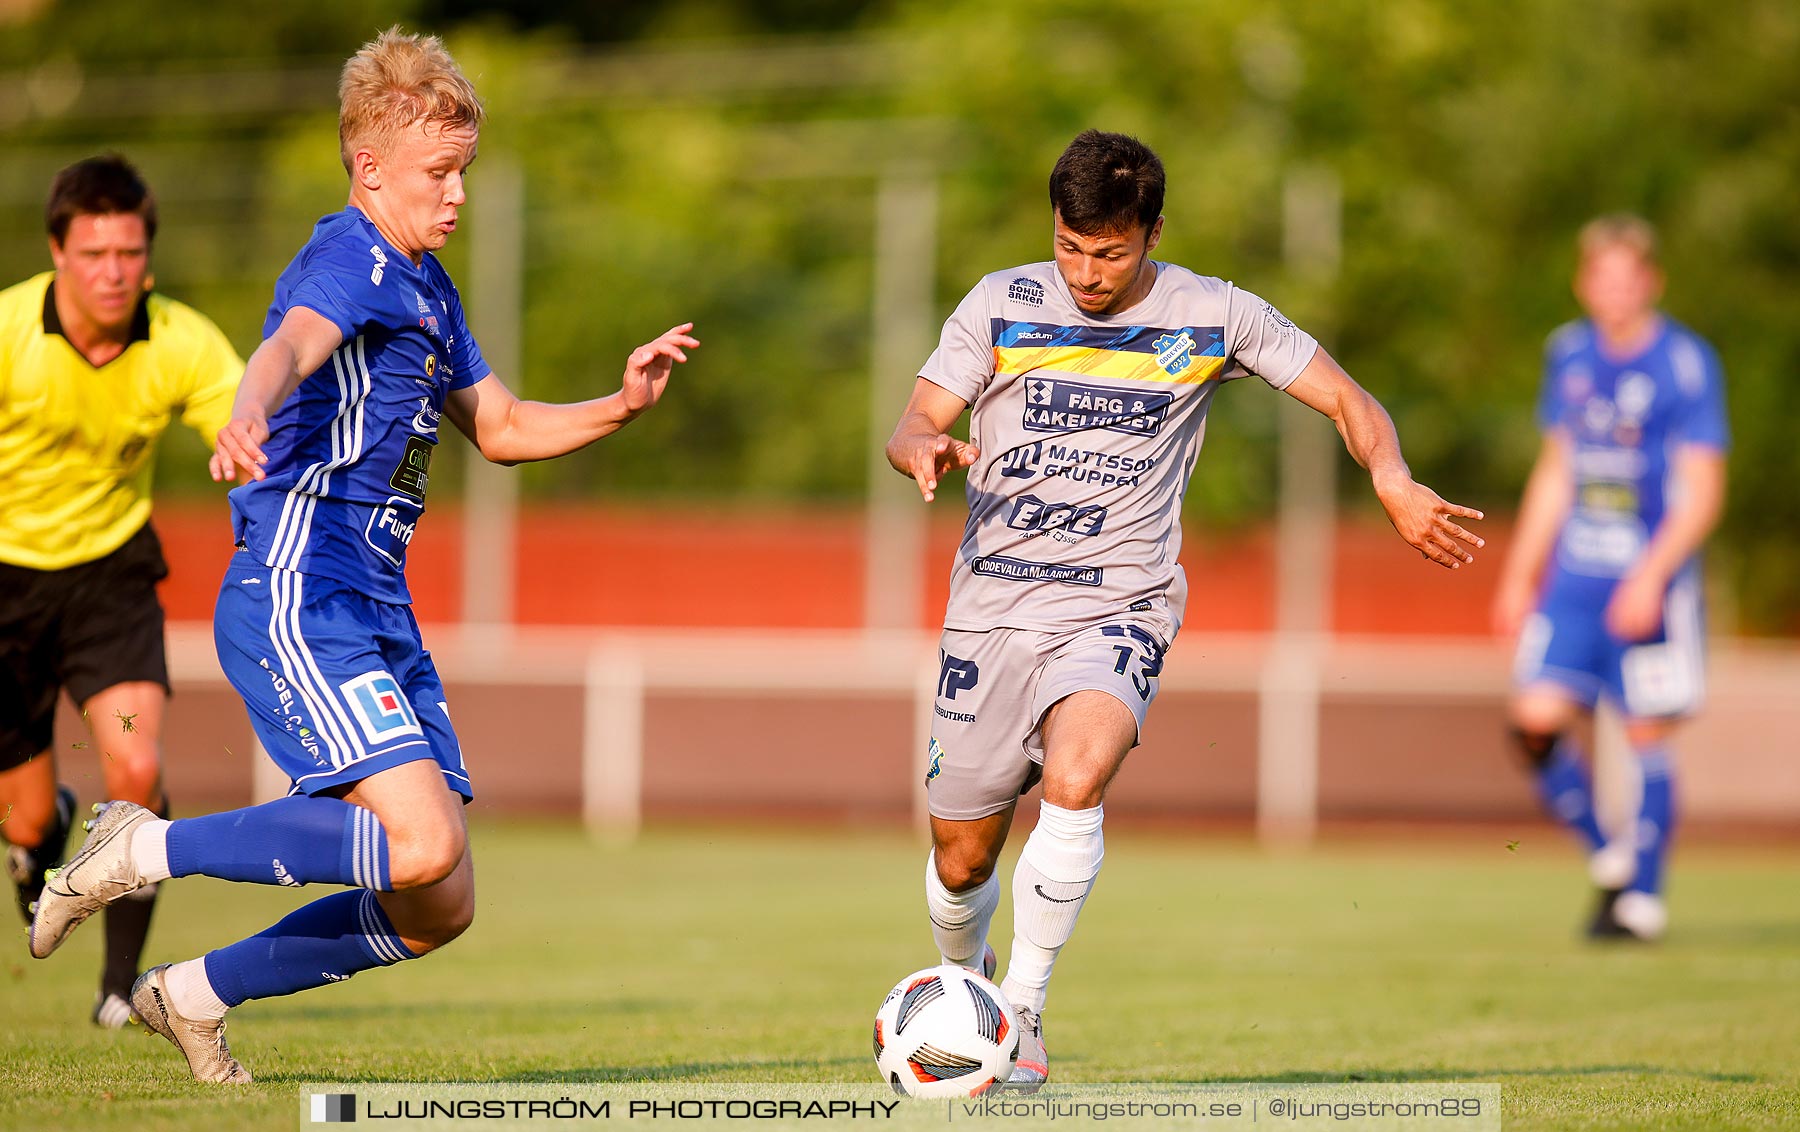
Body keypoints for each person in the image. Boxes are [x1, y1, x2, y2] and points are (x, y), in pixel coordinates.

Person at [30, 27, 697, 1084]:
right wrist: (248, 412)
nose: (459, 195)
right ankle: (139, 846)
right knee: (421, 845)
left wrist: (621, 403)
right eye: (441, 172)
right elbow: (289, 346)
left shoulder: (431, 291)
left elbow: (507, 427)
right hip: (302, 587)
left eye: (465, 171)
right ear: (369, 165)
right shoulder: (351, 254)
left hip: (376, 607)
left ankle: (192, 993)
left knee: (440, 901)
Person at [885, 129, 1484, 1092]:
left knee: (1077, 780)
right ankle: (967, 991)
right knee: (961, 863)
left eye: (1111, 252)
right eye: (1070, 246)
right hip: (990, 608)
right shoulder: (1002, 302)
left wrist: (1395, 477)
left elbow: (1347, 396)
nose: (1086, 271)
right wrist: (921, 448)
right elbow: (914, 419)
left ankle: (1025, 1013)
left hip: (1120, 604)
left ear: (1153, 232)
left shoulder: (1214, 314)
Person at [0, 155, 243, 1028]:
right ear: (57, 251)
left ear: (148, 254)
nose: (113, 272)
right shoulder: (7, 335)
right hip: (5, 590)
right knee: (24, 815)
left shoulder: (181, 339)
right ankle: (38, 838)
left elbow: (252, 439)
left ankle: (120, 987)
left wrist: (247, 462)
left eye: (130, 253)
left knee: (134, 765)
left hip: (109, 581)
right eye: (94, 252)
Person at [1491, 215, 1727, 942]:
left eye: (1630, 278)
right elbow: (1559, 469)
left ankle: (1644, 904)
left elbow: (1704, 488)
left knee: (1645, 732)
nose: (1615, 292)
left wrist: (1652, 575)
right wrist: (1518, 572)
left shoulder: (1684, 364)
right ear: (1583, 282)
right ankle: (1612, 858)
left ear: (1651, 282)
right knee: (1534, 721)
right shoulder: (1568, 353)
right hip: (1575, 583)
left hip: (1650, 582)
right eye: (1603, 277)